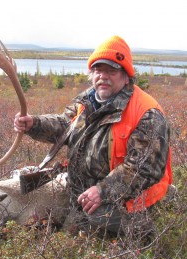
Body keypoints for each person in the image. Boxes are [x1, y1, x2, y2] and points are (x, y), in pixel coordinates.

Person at [14, 36, 172, 239]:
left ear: (126, 76)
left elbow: (143, 170)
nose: (103, 76)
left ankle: (143, 232)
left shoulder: (147, 113)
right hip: (85, 191)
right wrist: (34, 124)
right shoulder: (87, 101)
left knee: (94, 219)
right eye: (98, 70)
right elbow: (65, 125)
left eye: (111, 71)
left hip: (130, 200)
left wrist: (102, 191)